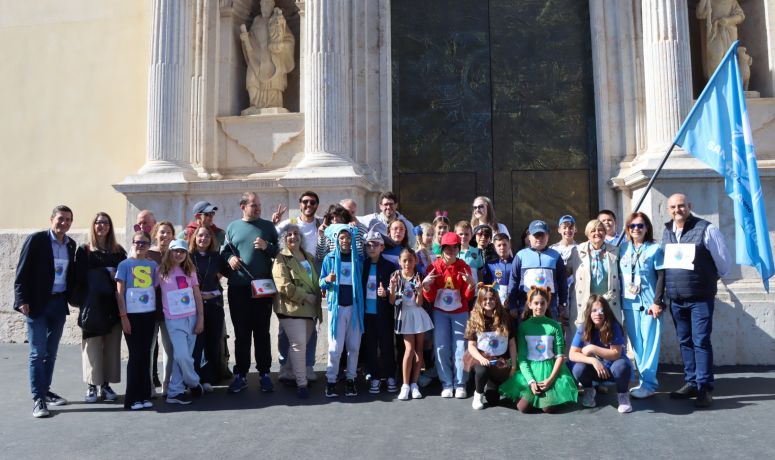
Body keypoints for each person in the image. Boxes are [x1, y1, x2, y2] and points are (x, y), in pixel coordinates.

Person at [662, 193, 730, 407]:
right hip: (676, 299)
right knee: (685, 342)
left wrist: (706, 279)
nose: (677, 210)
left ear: (689, 206)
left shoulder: (707, 229)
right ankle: (691, 382)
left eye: (681, 206)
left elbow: (724, 264)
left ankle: (704, 387)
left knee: (701, 341)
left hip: (700, 298)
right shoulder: (666, 231)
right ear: (668, 210)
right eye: (673, 207)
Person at [14, 205, 77, 418]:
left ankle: (46, 390)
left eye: (68, 220)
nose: (64, 223)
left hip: (58, 304)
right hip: (37, 304)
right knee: (36, 353)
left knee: (51, 353)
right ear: (51, 219)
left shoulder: (71, 245)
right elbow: (22, 271)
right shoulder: (37, 240)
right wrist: (21, 300)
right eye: (61, 219)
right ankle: (38, 399)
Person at [222, 192, 279, 394]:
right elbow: (225, 251)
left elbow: (280, 252)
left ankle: (264, 373)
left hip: (262, 287)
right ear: (243, 206)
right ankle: (241, 374)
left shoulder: (268, 227)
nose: (257, 208)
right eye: (253, 205)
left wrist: (267, 246)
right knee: (241, 333)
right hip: (238, 288)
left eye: (259, 205)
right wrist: (230, 259)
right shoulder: (233, 227)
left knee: (262, 332)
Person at [73, 212, 126, 403]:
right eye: (98, 222)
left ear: (110, 227)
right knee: (92, 346)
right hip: (92, 306)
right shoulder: (84, 250)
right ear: (93, 226)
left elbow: (125, 275)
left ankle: (106, 385)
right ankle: (91, 386)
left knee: (111, 347)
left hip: (113, 305)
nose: (102, 226)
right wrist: (104, 272)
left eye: (105, 223)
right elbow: (78, 277)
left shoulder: (118, 251)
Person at [499, 287, 577, 413]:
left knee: (548, 408)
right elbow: (522, 358)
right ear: (529, 305)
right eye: (536, 303)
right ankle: (533, 396)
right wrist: (531, 381)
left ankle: (547, 396)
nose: (539, 306)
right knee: (522, 408)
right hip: (531, 370)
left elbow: (559, 356)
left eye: (542, 303)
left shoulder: (555, 326)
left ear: (547, 304)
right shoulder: (524, 327)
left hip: (550, 370)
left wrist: (550, 380)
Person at [275, 191, 323, 383]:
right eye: (305, 202)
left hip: (312, 274)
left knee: (310, 329)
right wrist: (273, 222)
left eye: (312, 202)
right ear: (300, 204)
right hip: (291, 275)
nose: (308, 205)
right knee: (286, 328)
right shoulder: (289, 223)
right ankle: (285, 366)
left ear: (317, 205)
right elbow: (272, 239)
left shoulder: (322, 224)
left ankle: (307, 366)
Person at [422, 232, 476, 399]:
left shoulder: (464, 266)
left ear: (458, 248)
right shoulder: (434, 267)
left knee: (461, 347)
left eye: (455, 247)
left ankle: (460, 383)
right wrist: (426, 287)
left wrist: (471, 285)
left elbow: (467, 297)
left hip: (460, 312)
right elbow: (429, 298)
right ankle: (446, 383)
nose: (451, 251)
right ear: (442, 248)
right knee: (441, 347)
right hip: (440, 313)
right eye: (448, 248)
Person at [619, 212, 665, 399]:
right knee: (637, 344)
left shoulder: (655, 249)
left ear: (647, 228)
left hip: (649, 304)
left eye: (640, 225)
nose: (636, 229)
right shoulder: (622, 249)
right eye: (632, 226)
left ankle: (649, 384)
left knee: (650, 344)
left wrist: (657, 302)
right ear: (627, 229)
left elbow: (662, 276)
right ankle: (642, 382)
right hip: (629, 304)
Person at [320, 224, 365, 398]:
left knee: (354, 347)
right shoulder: (329, 259)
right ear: (337, 241)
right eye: (341, 238)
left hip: (355, 309)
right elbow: (321, 283)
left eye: (348, 238)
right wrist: (327, 279)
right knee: (335, 348)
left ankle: (350, 380)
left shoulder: (359, 260)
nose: (345, 241)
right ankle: (331, 381)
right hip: (337, 309)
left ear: (352, 239)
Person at [116, 231, 158, 410]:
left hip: (148, 314)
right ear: (133, 243)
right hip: (131, 316)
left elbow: (155, 286)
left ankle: (144, 395)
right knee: (135, 355)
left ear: (149, 245)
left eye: (144, 243)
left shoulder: (153, 265)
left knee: (145, 354)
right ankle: (132, 398)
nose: (140, 245)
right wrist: (123, 316)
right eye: (138, 242)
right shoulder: (125, 264)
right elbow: (119, 293)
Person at [158, 239, 205, 405]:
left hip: (191, 318)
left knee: (182, 358)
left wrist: (200, 318)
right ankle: (193, 382)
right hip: (173, 320)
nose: (179, 254)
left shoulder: (190, 270)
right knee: (181, 355)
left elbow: (197, 296)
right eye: (175, 251)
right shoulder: (160, 272)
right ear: (169, 252)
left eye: (182, 251)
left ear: (186, 254)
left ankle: (175, 392)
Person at [569, 295, 633, 413]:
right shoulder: (583, 327)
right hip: (595, 369)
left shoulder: (613, 326)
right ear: (588, 312)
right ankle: (589, 390)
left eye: (601, 310)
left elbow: (616, 353)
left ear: (606, 312)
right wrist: (594, 361)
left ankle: (623, 395)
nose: (598, 314)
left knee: (622, 366)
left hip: (612, 369)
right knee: (578, 368)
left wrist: (592, 348)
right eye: (594, 310)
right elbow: (572, 354)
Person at [566, 219, 621, 343]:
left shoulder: (615, 251)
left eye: (600, 230)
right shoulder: (577, 251)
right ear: (587, 233)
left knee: (608, 337)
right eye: (593, 230)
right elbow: (565, 272)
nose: (597, 233)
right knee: (582, 338)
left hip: (608, 301)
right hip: (585, 302)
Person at [389, 248, 433, 400]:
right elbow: (392, 301)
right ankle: (405, 385)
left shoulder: (419, 276)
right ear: (399, 262)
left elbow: (420, 303)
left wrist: (420, 291)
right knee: (409, 348)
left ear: (416, 261)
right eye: (405, 260)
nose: (408, 263)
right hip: (404, 316)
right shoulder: (395, 276)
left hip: (418, 314)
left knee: (419, 349)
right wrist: (393, 287)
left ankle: (414, 384)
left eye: (411, 260)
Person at [464, 284, 517, 410]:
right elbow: (471, 345)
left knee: (493, 400)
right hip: (481, 357)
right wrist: (480, 358)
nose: (489, 301)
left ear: (497, 300)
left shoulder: (506, 318)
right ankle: (478, 393)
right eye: (485, 299)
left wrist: (514, 365)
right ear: (480, 301)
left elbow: (512, 343)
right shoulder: (475, 319)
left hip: (499, 359)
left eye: (492, 298)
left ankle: (491, 384)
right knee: (481, 370)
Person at [189, 225, 228, 392]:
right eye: (200, 236)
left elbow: (225, 271)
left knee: (213, 342)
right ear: (194, 238)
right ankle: (196, 377)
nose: (203, 239)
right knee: (198, 343)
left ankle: (210, 378)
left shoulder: (216, 257)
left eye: (206, 236)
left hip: (214, 304)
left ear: (211, 239)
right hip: (195, 306)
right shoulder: (188, 257)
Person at [239, 0, 295, 111]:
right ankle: (255, 104)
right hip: (256, 57)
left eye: (267, 5)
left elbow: (289, 39)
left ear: (272, 6)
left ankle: (273, 105)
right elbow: (252, 39)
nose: (264, 7)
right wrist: (246, 38)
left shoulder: (277, 21)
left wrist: (281, 45)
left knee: (273, 83)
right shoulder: (256, 21)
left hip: (273, 57)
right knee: (251, 81)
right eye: (262, 5)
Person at [507, 220, 567, 321]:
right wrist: (512, 305)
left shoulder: (556, 256)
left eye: (542, 235)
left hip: (550, 307)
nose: (539, 238)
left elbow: (562, 282)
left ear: (547, 236)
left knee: (549, 335)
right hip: (525, 306)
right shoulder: (520, 255)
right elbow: (513, 281)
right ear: (529, 236)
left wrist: (563, 303)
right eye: (536, 235)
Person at [361, 230, 398, 394]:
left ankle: (390, 375)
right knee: (370, 346)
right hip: (367, 314)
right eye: (368, 245)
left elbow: (395, 292)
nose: (371, 248)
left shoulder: (389, 266)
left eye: (375, 244)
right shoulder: (363, 265)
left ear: (382, 247)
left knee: (387, 346)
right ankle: (375, 376)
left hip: (383, 314)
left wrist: (385, 294)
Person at [148, 221, 175, 395]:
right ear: (155, 234)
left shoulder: (176, 254)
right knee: (149, 347)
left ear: (173, 236)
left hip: (171, 308)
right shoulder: (147, 253)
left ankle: (168, 383)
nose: (164, 235)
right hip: (150, 306)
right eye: (161, 232)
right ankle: (149, 385)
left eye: (168, 233)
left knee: (169, 347)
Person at [696, 0, 745, 79]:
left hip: (729, 33)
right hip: (714, 34)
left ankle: (729, 83)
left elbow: (740, 16)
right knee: (716, 56)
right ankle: (716, 82)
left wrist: (727, 20)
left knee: (729, 59)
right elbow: (700, 13)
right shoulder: (710, 1)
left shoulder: (732, 2)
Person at [482, 233, 514, 312]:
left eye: (504, 244)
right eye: (499, 245)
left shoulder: (516, 263)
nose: (502, 247)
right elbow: (487, 285)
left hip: (513, 303)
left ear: (509, 245)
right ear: (494, 247)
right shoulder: (490, 264)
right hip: (496, 303)